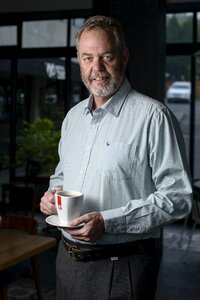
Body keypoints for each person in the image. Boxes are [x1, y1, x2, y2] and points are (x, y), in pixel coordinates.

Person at [40, 15, 192, 300]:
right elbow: (62, 175)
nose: (96, 68)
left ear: (123, 56)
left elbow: (178, 198)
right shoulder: (73, 118)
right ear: (79, 61)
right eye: (87, 58)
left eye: (105, 56)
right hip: (66, 261)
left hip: (122, 266)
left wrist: (108, 222)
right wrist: (52, 195)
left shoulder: (153, 117)